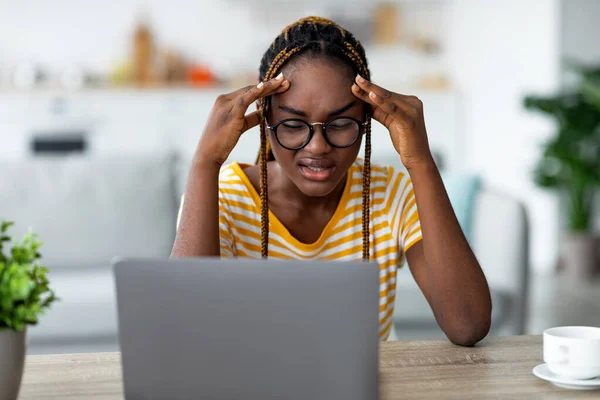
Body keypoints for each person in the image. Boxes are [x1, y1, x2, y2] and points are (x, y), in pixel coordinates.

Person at [171, 16, 491, 346]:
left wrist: (420, 161)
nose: (318, 147)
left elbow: (467, 325)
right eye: (294, 124)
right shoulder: (225, 194)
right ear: (266, 119)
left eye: (340, 123)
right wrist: (204, 164)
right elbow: (186, 331)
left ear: (366, 120)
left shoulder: (390, 193)